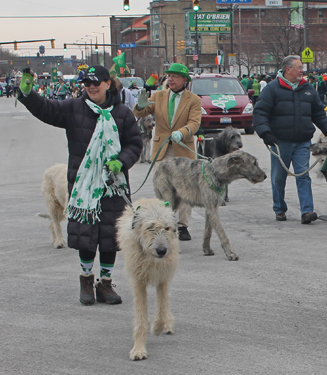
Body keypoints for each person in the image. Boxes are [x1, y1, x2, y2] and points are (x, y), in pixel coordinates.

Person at [17, 65, 143, 306]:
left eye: (96, 83)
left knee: (110, 237)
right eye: (87, 83)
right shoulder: (74, 107)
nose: (91, 87)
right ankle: (86, 280)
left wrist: (121, 162)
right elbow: (46, 109)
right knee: (86, 236)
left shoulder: (123, 113)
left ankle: (106, 284)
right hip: (84, 185)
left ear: (108, 83)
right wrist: (28, 94)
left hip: (112, 186)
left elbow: (134, 144)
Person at [253, 55, 327, 224]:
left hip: (303, 142)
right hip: (280, 141)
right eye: (298, 68)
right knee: (278, 178)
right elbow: (260, 112)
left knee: (303, 176)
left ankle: (307, 211)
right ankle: (280, 208)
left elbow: (318, 113)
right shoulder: (272, 89)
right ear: (288, 69)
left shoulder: (308, 89)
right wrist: (265, 133)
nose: (301, 71)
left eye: (301, 68)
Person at [133, 63, 201, 240]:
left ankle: (183, 225)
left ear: (184, 80)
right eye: (169, 76)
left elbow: (195, 122)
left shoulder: (193, 99)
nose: (170, 79)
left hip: (183, 150)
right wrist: (140, 106)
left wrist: (182, 132)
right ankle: (166, 223)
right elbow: (140, 113)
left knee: (185, 190)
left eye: (175, 76)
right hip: (162, 149)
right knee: (164, 189)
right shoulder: (159, 95)